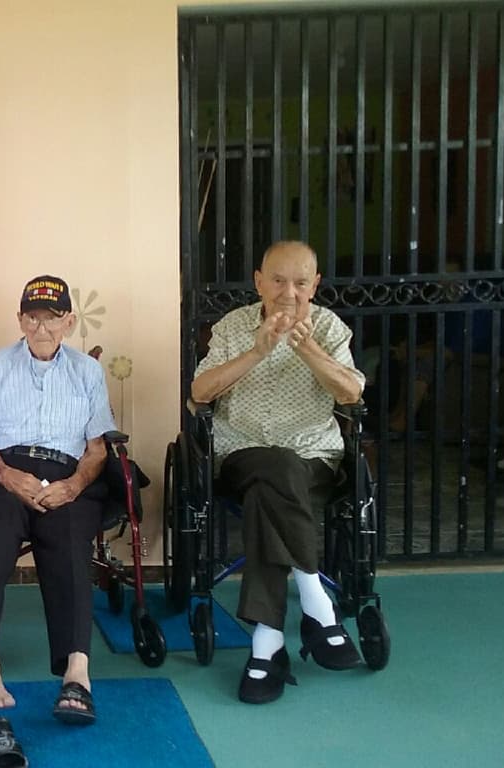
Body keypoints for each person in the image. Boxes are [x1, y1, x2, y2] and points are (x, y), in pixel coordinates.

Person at [190, 240, 366, 704]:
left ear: (315, 285)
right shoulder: (233, 326)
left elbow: (351, 393)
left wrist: (308, 350)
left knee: (276, 478)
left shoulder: (328, 327)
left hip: (313, 459)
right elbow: (200, 392)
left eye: (300, 283)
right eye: (278, 281)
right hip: (242, 454)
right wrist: (256, 351)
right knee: (273, 465)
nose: (289, 292)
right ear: (258, 282)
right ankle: (316, 602)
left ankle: (267, 642)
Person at [0, 274, 115, 752]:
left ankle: (77, 674)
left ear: (69, 322)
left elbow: (97, 449)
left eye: (51, 319)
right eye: (32, 318)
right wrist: (6, 475)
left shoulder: (87, 371)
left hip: (67, 475)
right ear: (20, 319)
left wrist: (74, 485)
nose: (41, 328)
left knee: (69, 544)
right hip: (5, 471)